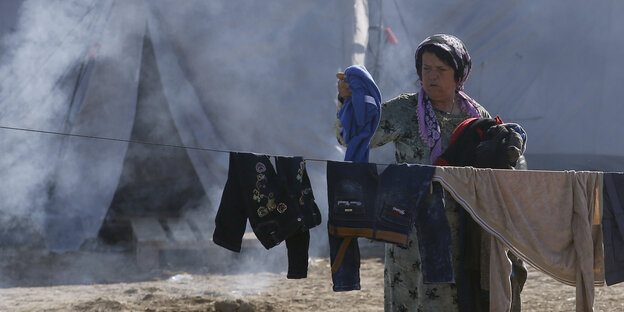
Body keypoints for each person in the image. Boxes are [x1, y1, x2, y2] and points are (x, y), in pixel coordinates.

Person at [335, 34, 491, 311]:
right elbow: (354, 136)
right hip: (407, 231)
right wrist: (347, 101)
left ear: (459, 74)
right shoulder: (406, 110)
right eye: (426, 69)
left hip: (459, 232)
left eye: (441, 70)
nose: (431, 76)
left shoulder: (476, 116)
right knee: (410, 297)